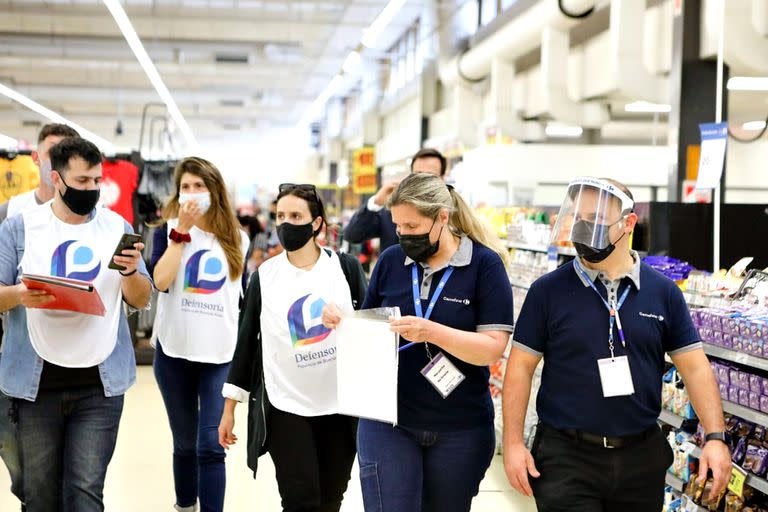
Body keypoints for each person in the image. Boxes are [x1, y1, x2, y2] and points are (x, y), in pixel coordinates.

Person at [502, 177, 732, 511]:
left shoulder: (664, 292)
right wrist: (512, 444)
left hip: (641, 457)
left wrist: (715, 437)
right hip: (566, 456)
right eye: (579, 218)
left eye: (595, 220)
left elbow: (695, 367)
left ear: (628, 223)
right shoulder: (547, 292)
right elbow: (520, 367)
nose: (583, 229)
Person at [323, 172, 514, 512]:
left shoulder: (484, 265)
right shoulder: (391, 261)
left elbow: (492, 347)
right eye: (398, 226)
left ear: (443, 216)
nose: (402, 235)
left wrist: (432, 332)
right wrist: (344, 321)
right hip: (388, 420)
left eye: (411, 227)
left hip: (460, 426)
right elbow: (373, 330)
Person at [0, 136, 152, 512]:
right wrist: (20, 295)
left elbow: (141, 298)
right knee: (39, 496)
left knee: (85, 494)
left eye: (98, 181)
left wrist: (131, 271)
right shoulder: (19, 228)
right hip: (35, 387)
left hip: (99, 386)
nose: (93, 189)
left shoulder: (117, 226)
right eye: (83, 182)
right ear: (57, 179)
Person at [219, 183, 367, 512]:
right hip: (285, 403)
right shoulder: (264, 277)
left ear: (316, 224)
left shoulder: (344, 269)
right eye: (280, 216)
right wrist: (229, 409)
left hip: (339, 404)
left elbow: (372, 328)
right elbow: (245, 346)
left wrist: (346, 320)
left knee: (331, 498)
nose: (286, 223)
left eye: (296, 216)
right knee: (299, 499)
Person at [149, 157, 250, 512]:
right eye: (186, 187)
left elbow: (239, 300)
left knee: (210, 445)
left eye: (199, 186)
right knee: (184, 445)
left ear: (214, 191)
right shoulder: (167, 231)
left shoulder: (238, 239)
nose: (192, 193)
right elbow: (160, 282)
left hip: (219, 357)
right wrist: (181, 233)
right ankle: (184, 505)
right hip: (174, 354)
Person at [0, 123, 80, 511]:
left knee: (73, 475)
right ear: (37, 159)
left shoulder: (92, 218)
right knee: (24, 473)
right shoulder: (11, 214)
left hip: (75, 360)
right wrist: (18, 294)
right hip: (16, 358)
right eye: (53, 153)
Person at [343, 148, 447, 252]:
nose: (422, 180)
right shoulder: (394, 211)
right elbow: (352, 235)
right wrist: (376, 202)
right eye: (418, 174)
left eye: (430, 175)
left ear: (442, 178)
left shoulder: (452, 212)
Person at [0, 124, 80, 223]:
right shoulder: (10, 211)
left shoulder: (93, 215)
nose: (60, 160)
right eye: (52, 152)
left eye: (68, 155)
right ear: (36, 158)